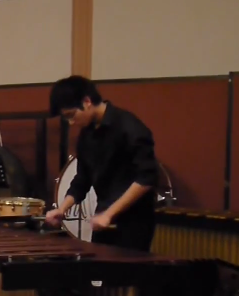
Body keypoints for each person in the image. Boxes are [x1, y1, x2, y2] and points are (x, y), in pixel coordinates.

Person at [45, 75, 160, 252]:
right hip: (103, 218)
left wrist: (109, 214)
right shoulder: (87, 134)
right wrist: (62, 209)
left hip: (134, 222)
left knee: (128, 269)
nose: (71, 122)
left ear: (87, 101)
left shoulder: (129, 127)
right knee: (99, 268)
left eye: (71, 115)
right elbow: (82, 179)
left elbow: (147, 178)